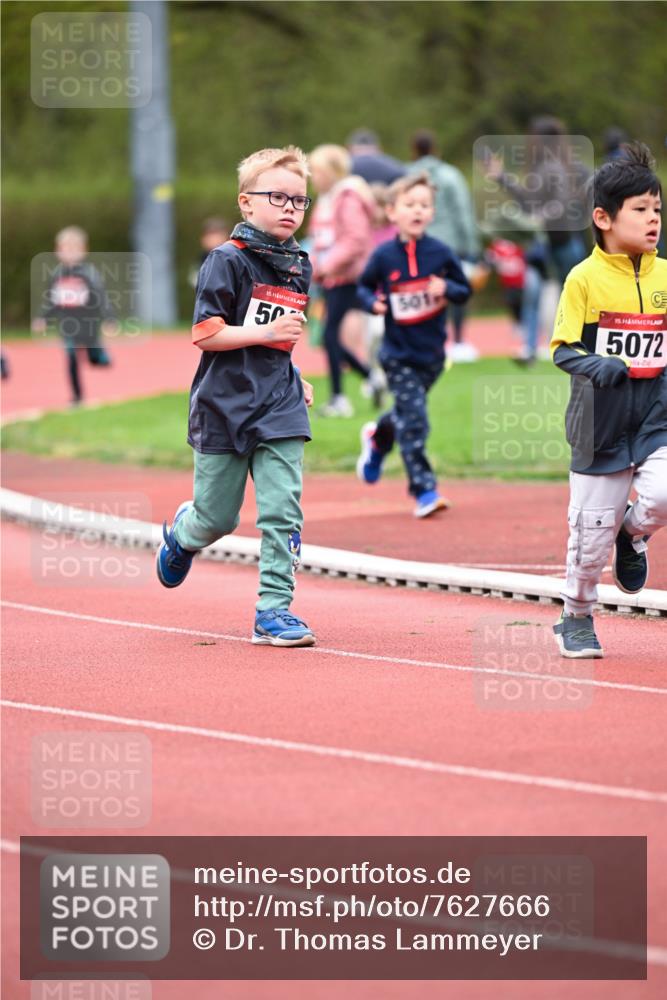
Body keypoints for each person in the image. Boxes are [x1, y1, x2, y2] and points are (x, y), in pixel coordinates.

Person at [156, 146, 316, 648]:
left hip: (279, 404)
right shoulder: (225, 261)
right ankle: (186, 533)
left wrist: (294, 372)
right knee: (218, 518)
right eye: (277, 197)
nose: (290, 207)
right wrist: (265, 338)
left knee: (282, 509)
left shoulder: (298, 265)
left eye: (300, 200)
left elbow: (276, 338)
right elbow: (206, 334)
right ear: (247, 204)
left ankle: (274, 609)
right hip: (223, 405)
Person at [550, 143, 666, 658]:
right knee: (588, 539)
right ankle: (575, 615)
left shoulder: (666, 275)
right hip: (600, 419)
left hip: (657, 415)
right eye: (640, 210)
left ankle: (632, 532)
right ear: (604, 217)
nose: (652, 220)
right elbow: (561, 348)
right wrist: (599, 364)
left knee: (663, 494)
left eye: (657, 210)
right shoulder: (584, 278)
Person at [356, 173, 471, 517]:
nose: (417, 211)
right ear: (392, 212)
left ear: (432, 213)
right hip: (397, 354)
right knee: (416, 419)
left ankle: (378, 438)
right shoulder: (383, 256)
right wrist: (371, 302)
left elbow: (464, 290)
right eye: (410, 205)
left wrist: (446, 289)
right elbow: (362, 287)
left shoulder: (441, 253)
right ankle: (424, 490)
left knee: (408, 412)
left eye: (424, 205)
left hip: (433, 355)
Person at [308, 144, 376, 416]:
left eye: (317, 171)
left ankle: (340, 398)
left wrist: (326, 266)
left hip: (345, 277)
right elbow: (319, 241)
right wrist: (312, 266)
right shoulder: (326, 199)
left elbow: (355, 240)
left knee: (329, 334)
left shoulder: (348, 198)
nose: (313, 177)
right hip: (329, 278)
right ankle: (370, 377)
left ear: (333, 171)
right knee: (327, 336)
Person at [407, 129, 481, 362]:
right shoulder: (450, 175)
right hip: (450, 244)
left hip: (417, 242)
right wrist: (472, 246)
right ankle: (458, 341)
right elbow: (462, 212)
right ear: (435, 149)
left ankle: (424, 341)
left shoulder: (407, 177)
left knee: (420, 291)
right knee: (454, 290)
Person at [31, 226, 115, 406]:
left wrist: (109, 319)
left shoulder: (88, 274)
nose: (69, 253)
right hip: (67, 324)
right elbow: (52, 301)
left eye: (73, 249)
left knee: (95, 358)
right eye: (65, 249)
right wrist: (42, 318)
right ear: (58, 251)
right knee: (71, 356)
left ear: (83, 251)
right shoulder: (57, 275)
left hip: (89, 323)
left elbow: (101, 297)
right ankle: (77, 397)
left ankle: (100, 355)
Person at [189, 216, 229, 288]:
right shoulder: (202, 258)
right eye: (209, 235)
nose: (213, 240)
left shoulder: (234, 258)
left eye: (216, 235)